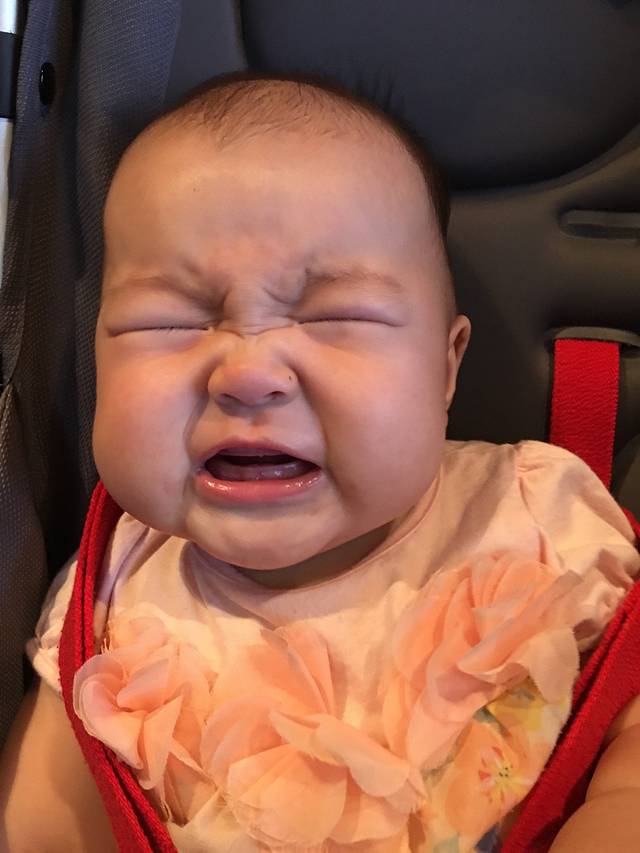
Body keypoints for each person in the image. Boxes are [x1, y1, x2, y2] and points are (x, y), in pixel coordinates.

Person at [1, 72, 639, 853]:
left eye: (335, 315)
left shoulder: (536, 519)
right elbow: (43, 823)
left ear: (445, 370)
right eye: (168, 321)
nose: (247, 373)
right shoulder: (111, 597)